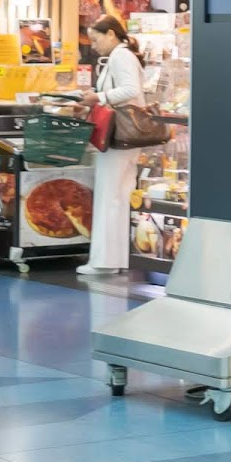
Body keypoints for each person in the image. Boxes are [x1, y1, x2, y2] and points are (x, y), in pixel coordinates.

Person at [77, 18, 144, 276]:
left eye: (96, 39)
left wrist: (99, 97)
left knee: (108, 195)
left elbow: (130, 90)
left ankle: (103, 262)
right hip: (125, 137)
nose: (93, 46)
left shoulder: (120, 56)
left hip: (118, 136)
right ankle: (113, 260)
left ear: (112, 34)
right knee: (117, 196)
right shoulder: (122, 55)